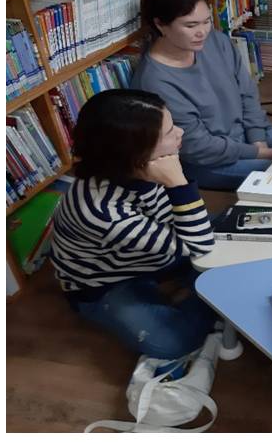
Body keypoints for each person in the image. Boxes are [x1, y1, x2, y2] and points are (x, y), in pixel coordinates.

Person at [48, 89, 218, 361]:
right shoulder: (102, 210)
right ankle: (208, 298)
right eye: (169, 132)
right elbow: (199, 243)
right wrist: (178, 183)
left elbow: (185, 228)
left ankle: (195, 290)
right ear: (136, 154)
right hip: (109, 281)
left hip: (152, 252)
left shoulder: (143, 166)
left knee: (234, 233)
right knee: (173, 343)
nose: (180, 133)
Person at [130, 0, 272, 191]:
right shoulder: (155, 81)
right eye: (190, 25)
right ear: (160, 25)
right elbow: (197, 147)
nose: (202, 32)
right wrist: (259, 153)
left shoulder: (216, 41)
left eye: (206, 22)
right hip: (212, 161)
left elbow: (247, 93)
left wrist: (258, 138)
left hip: (250, 135)